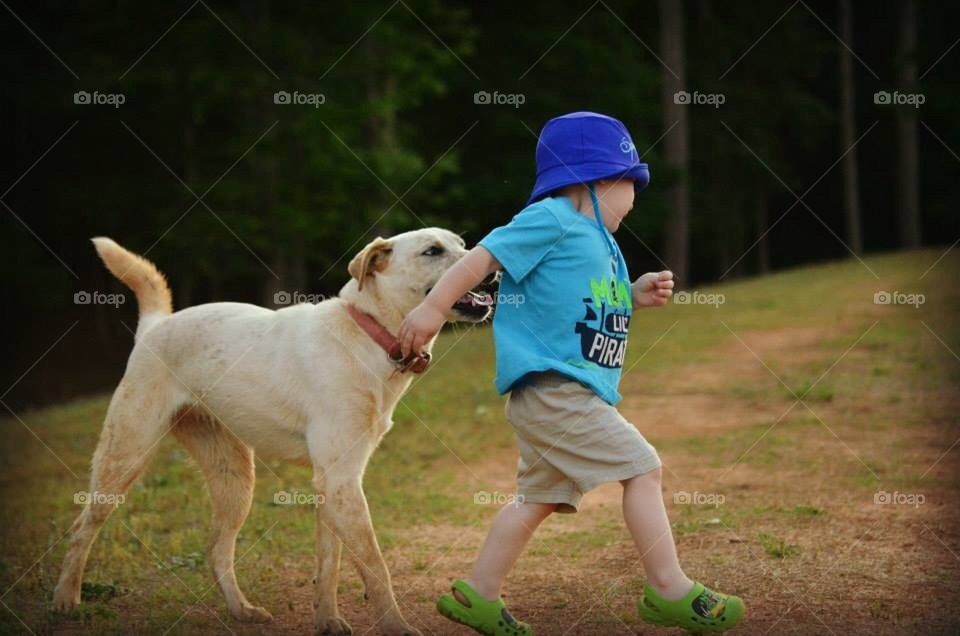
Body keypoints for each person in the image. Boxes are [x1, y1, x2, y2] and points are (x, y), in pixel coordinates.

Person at [398, 111, 745, 635]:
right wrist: (432, 309)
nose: (634, 199)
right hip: (556, 391)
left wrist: (633, 295)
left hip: (561, 394)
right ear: (598, 178)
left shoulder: (598, 242)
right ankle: (668, 588)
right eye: (633, 184)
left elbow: (576, 300)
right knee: (644, 470)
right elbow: (481, 260)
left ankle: (478, 596)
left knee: (537, 500)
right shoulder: (553, 218)